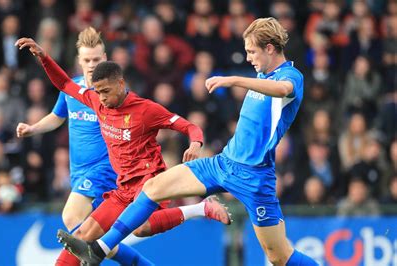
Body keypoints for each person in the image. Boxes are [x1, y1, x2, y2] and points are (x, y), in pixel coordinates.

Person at [55, 17, 318, 265]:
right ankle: (100, 248)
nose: (248, 58)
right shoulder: (262, 74)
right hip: (223, 164)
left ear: (270, 48)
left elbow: (284, 90)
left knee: (279, 257)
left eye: (251, 52)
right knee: (153, 188)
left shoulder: (291, 77)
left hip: (255, 177)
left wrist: (234, 80)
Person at [16, 37, 231, 264]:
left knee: (141, 227)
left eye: (106, 91)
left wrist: (195, 143)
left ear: (121, 83)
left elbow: (190, 126)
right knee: (81, 236)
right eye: (98, 92)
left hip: (149, 181)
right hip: (123, 186)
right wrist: (44, 57)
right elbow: (65, 84)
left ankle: (199, 209)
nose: (102, 98)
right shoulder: (97, 101)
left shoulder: (146, 110)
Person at [16, 27, 129, 266]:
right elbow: (57, 117)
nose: (91, 64)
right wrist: (33, 128)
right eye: (87, 60)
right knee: (98, 238)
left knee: (70, 216)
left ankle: (86, 258)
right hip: (78, 172)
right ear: (79, 61)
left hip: (105, 169)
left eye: (96, 59)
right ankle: (134, 261)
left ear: (105, 59)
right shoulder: (71, 89)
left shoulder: (115, 94)